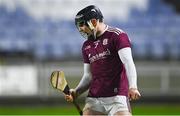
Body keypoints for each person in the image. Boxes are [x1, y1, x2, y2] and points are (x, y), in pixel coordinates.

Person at [65, 5, 141, 116]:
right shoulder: (86, 45)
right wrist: (76, 92)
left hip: (117, 97)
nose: (80, 29)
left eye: (82, 24)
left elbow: (128, 62)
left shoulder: (117, 36)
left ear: (94, 22)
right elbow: (88, 75)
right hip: (94, 99)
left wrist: (133, 86)